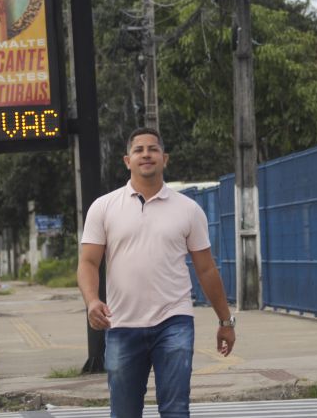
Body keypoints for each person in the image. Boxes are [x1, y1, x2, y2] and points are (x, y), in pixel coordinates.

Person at [78, 127, 236, 418]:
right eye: (139, 150)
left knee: (176, 409)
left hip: (174, 323)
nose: (146, 155)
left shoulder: (188, 210)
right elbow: (88, 263)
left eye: (153, 149)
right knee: (124, 412)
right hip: (122, 324)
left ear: (165, 158)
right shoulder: (103, 207)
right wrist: (91, 301)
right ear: (127, 161)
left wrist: (226, 320)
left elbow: (206, 268)